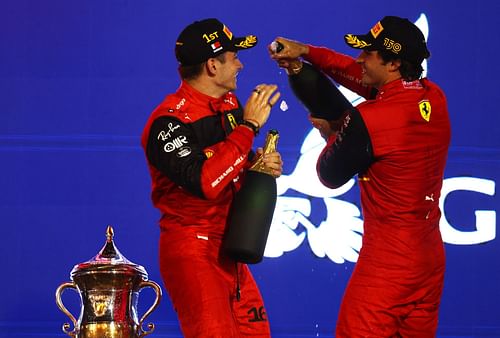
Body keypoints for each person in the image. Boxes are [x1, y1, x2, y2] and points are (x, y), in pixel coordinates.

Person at [270, 16, 451, 337]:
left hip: (387, 265)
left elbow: (328, 175)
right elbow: (357, 76)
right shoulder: (432, 96)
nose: (359, 59)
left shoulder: (371, 118)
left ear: (393, 63)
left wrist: (332, 134)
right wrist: (307, 52)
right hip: (428, 261)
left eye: (369, 54)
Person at [141, 18, 282, 337]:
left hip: (231, 248)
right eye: (234, 58)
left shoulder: (229, 105)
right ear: (212, 66)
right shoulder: (168, 124)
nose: (240, 64)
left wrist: (258, 164)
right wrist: (248, 128)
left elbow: (229, 164)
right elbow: (206, 182)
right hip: (193, 251)